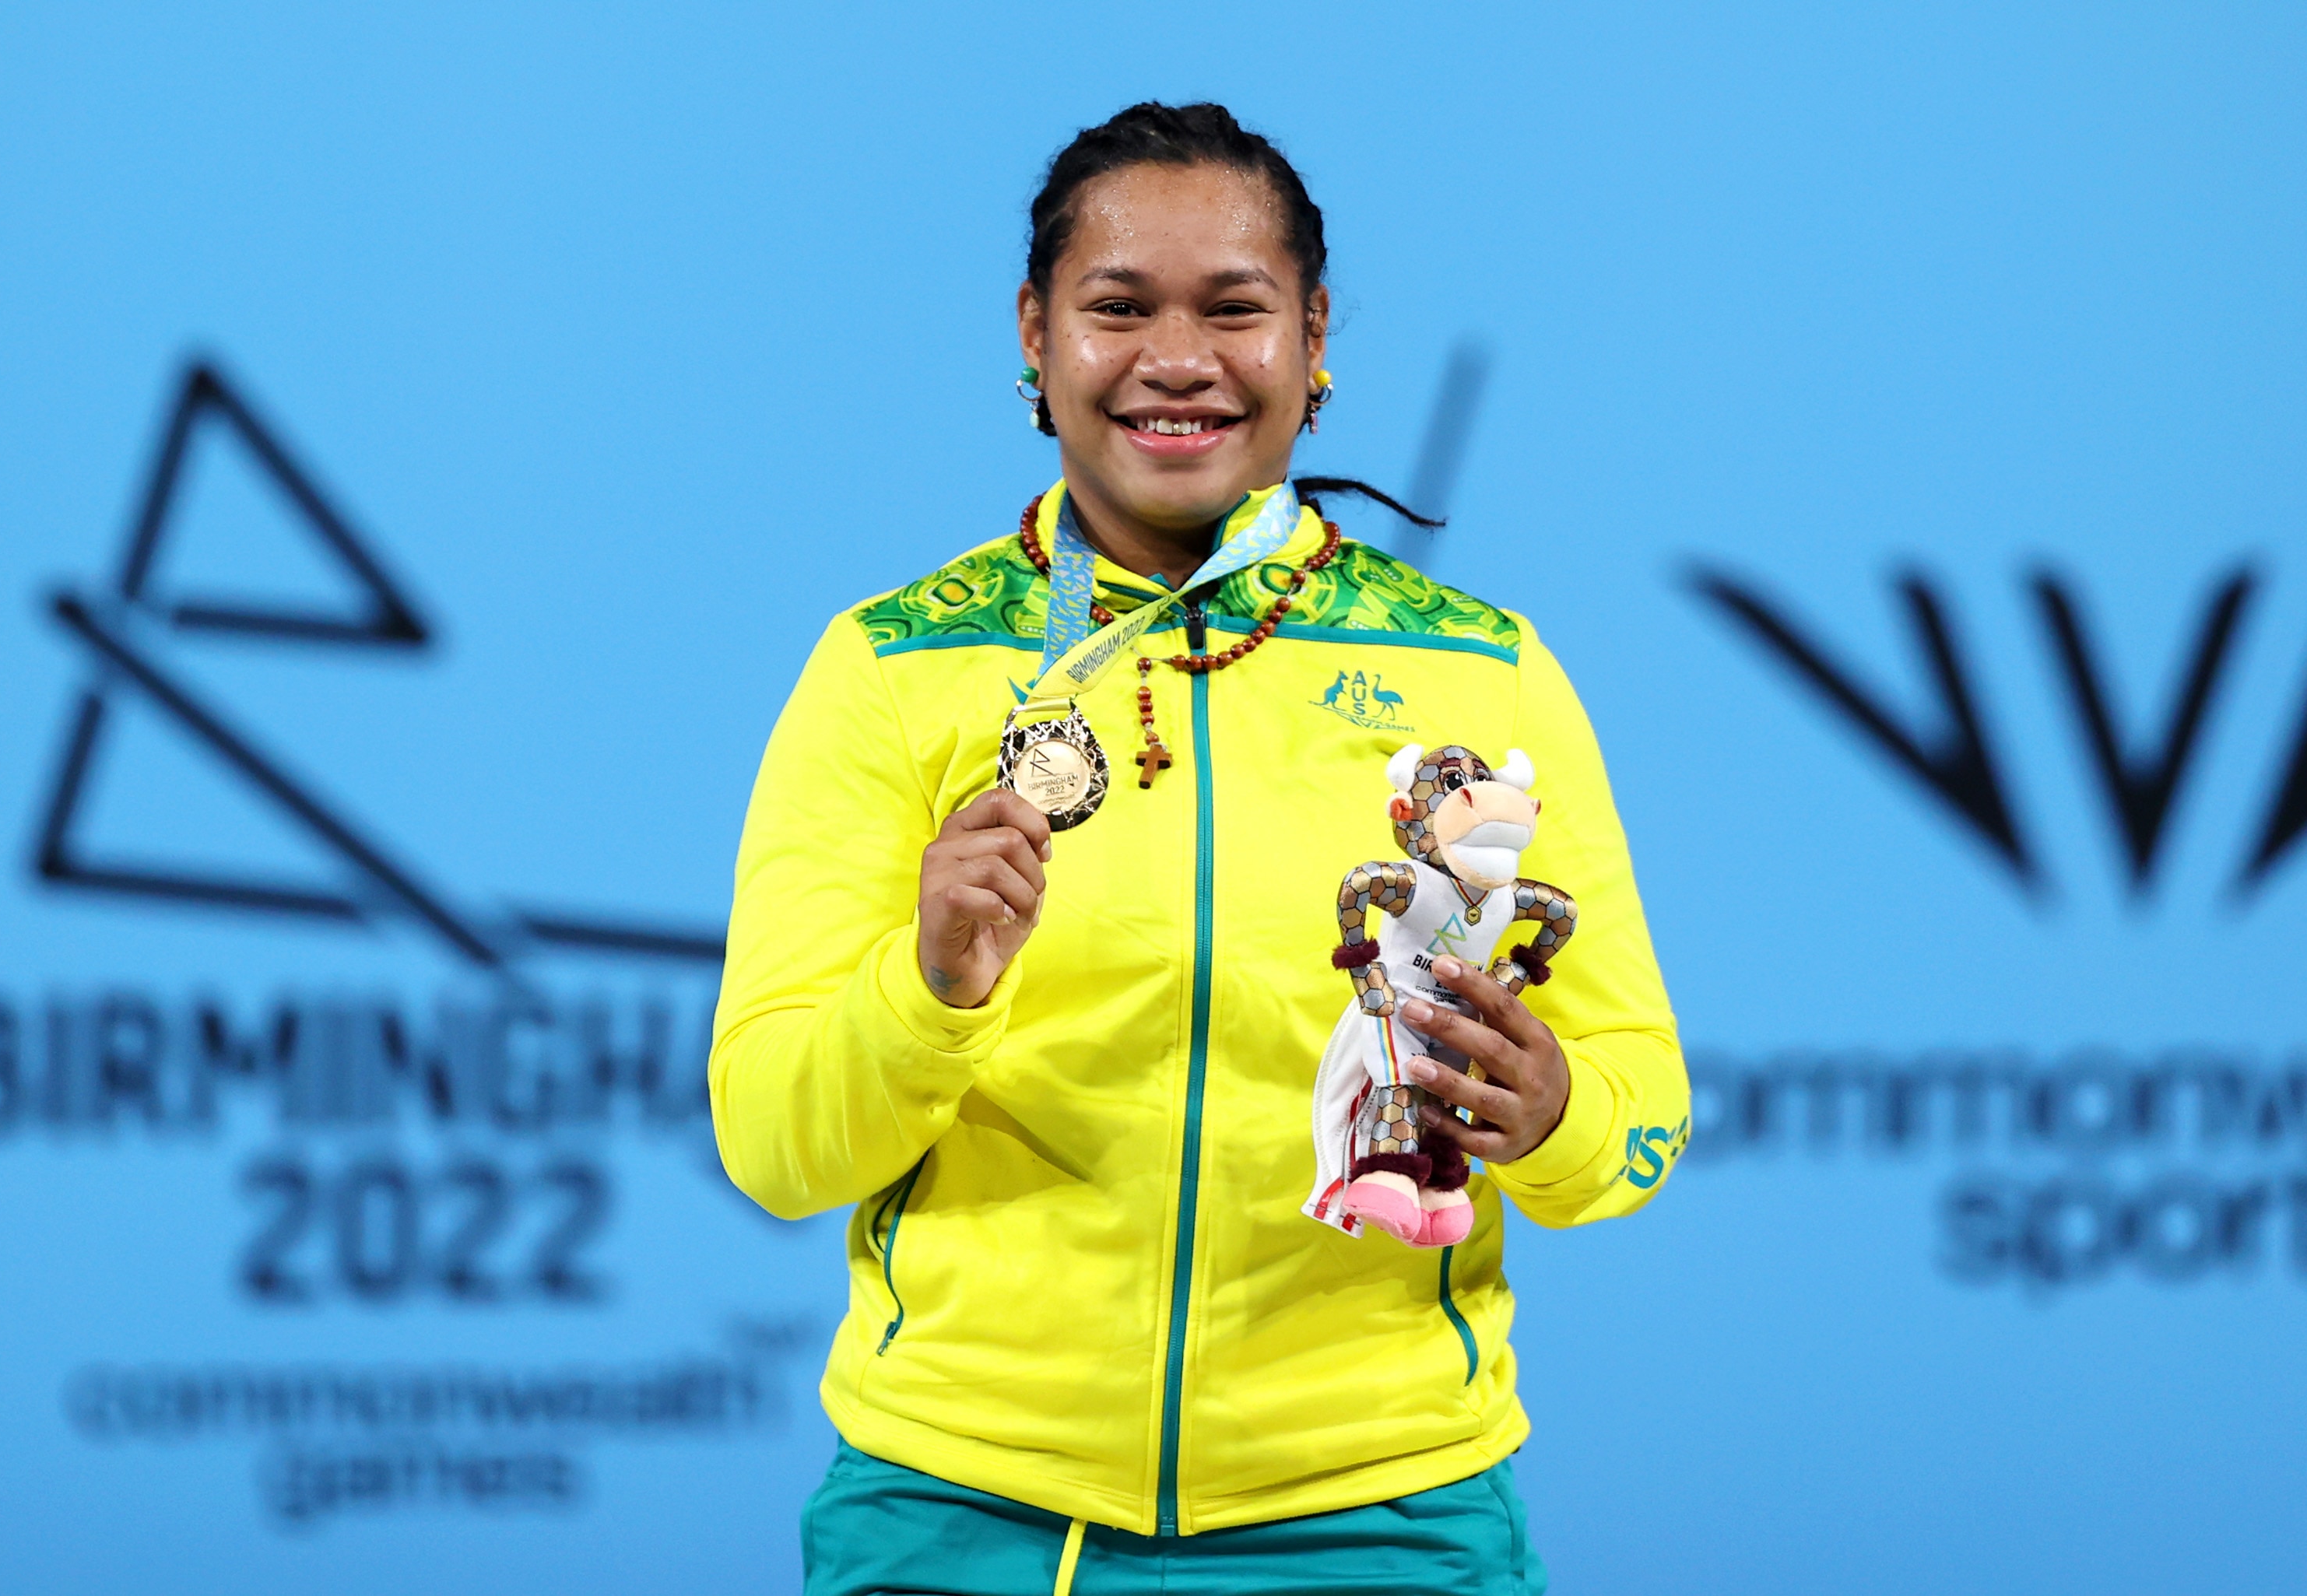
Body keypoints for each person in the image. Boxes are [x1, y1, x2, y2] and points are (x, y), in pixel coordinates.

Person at [711, 101, 1687, 1596]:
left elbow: (1642, 1121)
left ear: (1312, 341)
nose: (1178, 361)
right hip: (968, 1516)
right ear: (1036, 336)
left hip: (1386, 1521)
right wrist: (929, 994)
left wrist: (1551, 1114)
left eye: (1236, 309)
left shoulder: (1478, 675)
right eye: (1118, 309)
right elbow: (778, 1149)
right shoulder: (891, 669)